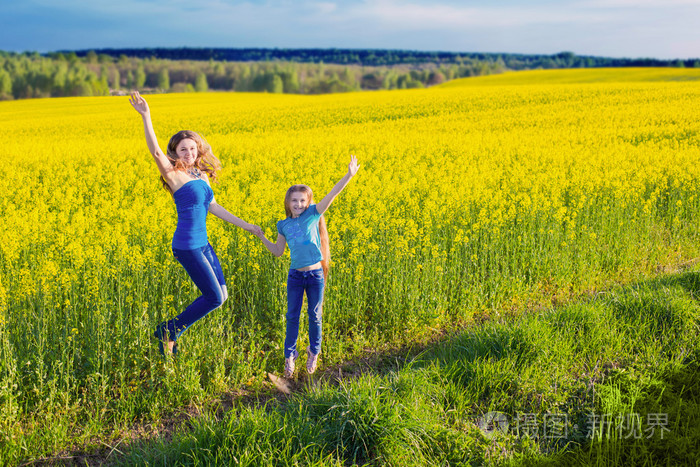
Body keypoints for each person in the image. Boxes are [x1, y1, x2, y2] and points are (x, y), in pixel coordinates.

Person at [129, 91, 261, 356]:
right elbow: (155, 151)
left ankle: (170, 330)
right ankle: (169, 331)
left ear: (198, 149)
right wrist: (146, 116)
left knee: (221, 297)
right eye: (182, 149)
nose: (188, 153)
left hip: (203, 244)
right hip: (187, 245)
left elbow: (212, 207)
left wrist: (248, 226)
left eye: (192, 148)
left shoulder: (201, 174)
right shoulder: (174, 175)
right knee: (212, 297)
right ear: (175, 153)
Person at [254, 155, 360, 377]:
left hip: (314, 275)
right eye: (294, 201)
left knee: (314, 316)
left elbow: (332, 195)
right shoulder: (282, 225)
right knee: (292, 316)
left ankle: (314, 352)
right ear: (287, 203)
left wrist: (348, 175)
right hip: (295, 277)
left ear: (308, 203)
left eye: (302, 200)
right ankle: (290, 358)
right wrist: (261, 236)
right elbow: (278, 251)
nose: (298, 204)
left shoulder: (313, 215)